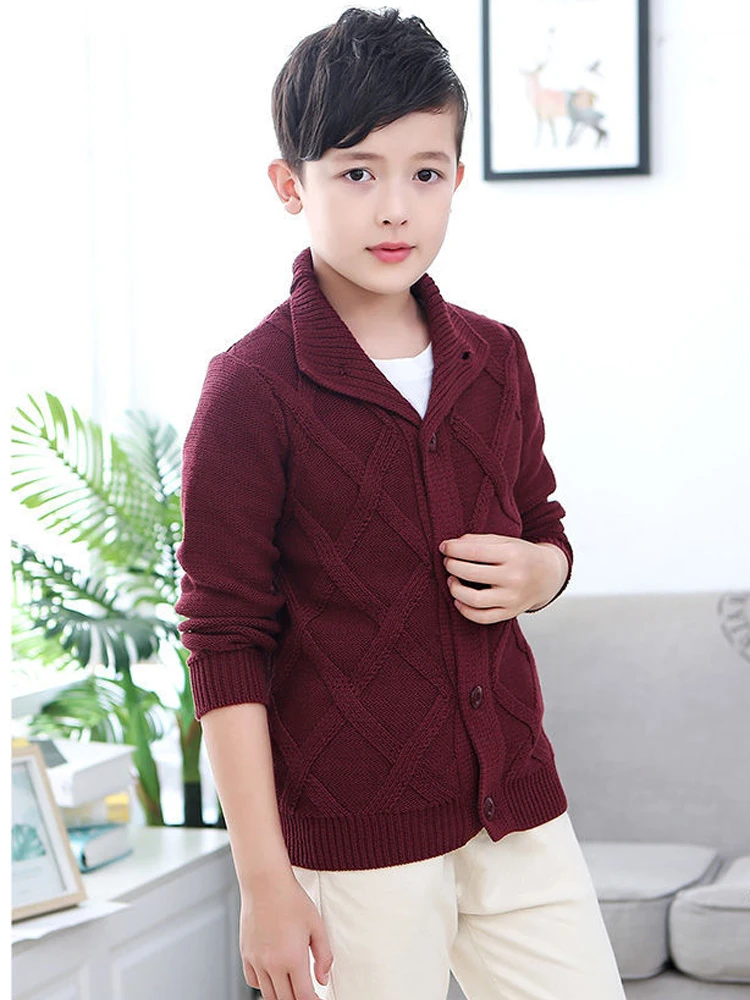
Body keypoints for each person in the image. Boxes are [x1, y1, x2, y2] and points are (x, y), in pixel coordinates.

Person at [175, 8, 627, 1000]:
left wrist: (543, 572)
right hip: (354, 843)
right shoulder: (251, 389)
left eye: (424, 173)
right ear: (290, 185)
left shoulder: (495, 357)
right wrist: (265, 883)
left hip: (517, 810)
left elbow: (543, 524)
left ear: (457, 178)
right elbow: (224, 640)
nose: (395, 209)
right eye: (356, 173)